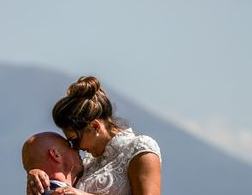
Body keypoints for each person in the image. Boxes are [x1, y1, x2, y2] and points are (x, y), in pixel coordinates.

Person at [27, 76, 161, 195]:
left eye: (75, 140)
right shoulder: (86, 163)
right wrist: (37, 174)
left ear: (95, 126)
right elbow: (58, 182)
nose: (76, 148)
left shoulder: (139, 149)